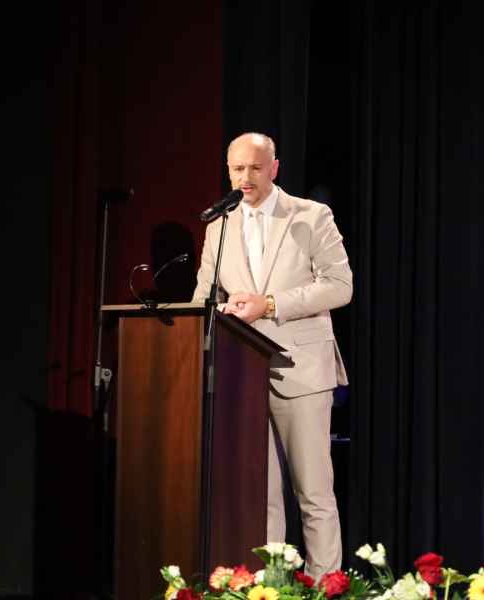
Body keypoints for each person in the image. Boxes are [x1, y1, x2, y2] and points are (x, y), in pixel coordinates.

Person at [192, 132, 353, 580]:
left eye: (255, 168)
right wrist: (219, 311)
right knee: (261, 498)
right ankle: (274, 586)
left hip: (301, 370)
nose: (245, 177)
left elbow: (341, 286)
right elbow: (204, 297)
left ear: (275, 168)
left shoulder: (310, 216)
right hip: (243, 375)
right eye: (237, 169)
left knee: (314, 494)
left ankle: (326, 587)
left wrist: (271, 304)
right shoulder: (219, 227)